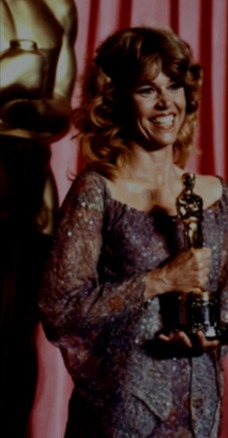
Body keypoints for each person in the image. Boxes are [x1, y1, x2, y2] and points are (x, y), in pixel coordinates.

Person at [38, 27, 228, 437]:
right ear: (116, 99)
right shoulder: (97, 191)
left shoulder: (214, 193)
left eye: (174, 86)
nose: (166, 102)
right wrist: (160, 280)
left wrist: (215, 332)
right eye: (148, 90)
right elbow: (60, 309)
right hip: (119, 413)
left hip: (199, 411)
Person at [0, 0, 76, 434]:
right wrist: (18, 79)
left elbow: (59, 107)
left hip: (31, 188)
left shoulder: (57, 6)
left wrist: (18, 96)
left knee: (19, 342)